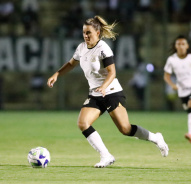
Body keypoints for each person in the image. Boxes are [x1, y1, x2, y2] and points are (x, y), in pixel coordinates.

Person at [47, 15, 169, 168]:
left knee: (125, 129)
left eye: (89, 33)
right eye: (84, 32)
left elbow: (112, 72)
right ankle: (106, 155)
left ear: (97, 33)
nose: (86, 36)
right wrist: (56, 74)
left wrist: (104, 87)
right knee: (83, 123)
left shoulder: (103, 48)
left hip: (111, 92)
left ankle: (155, 137)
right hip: (96, 93)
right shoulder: (81, 48)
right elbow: (71, 64)